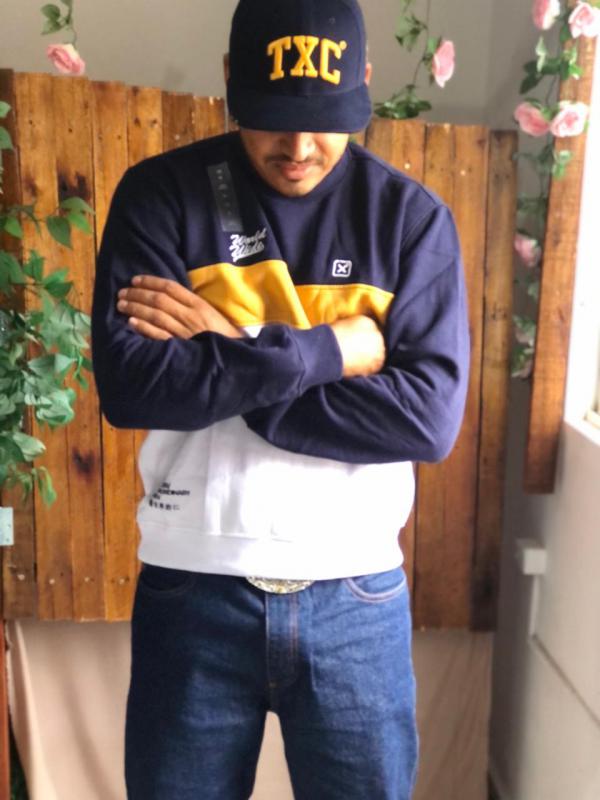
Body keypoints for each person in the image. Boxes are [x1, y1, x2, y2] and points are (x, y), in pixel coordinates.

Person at [91, 0, 471, 797]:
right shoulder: (161, 196)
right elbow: (132, 389)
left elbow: (427, 421)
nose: (298, 149)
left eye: (325, 122)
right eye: (272, 119)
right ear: (231, 81)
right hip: (192, 582)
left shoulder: (410, 221)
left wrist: (225, 349)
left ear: (364, 83)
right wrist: (332, 351)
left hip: (356, 592)